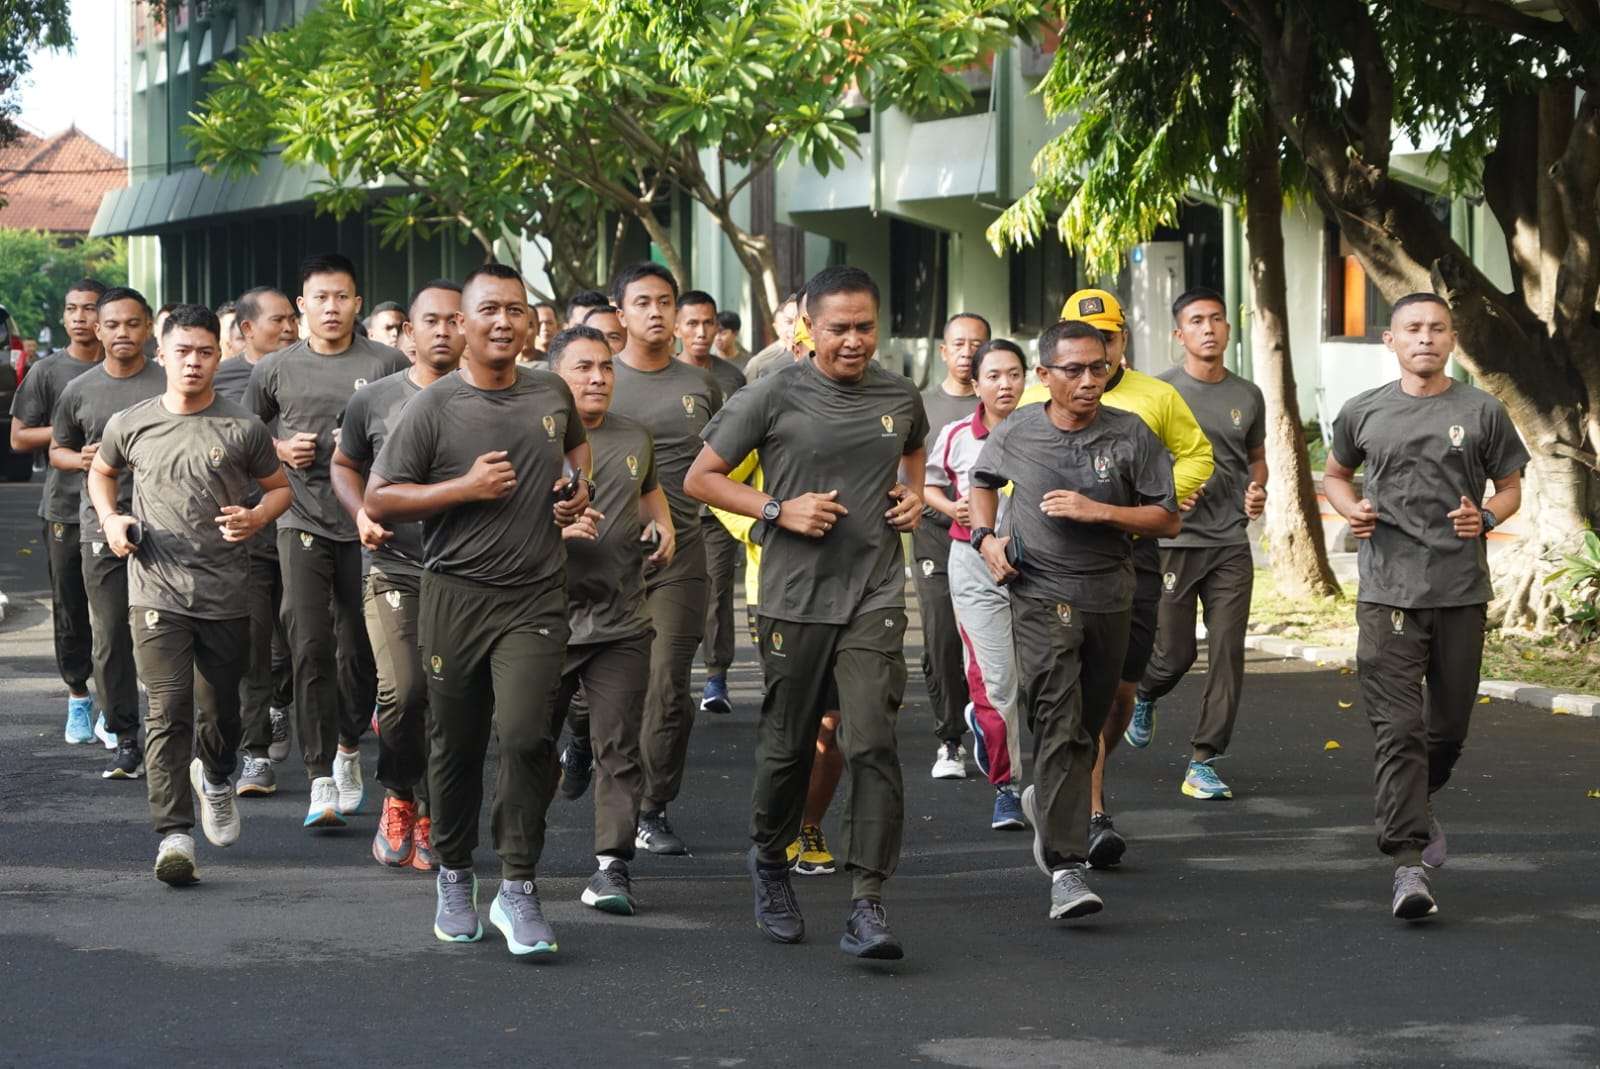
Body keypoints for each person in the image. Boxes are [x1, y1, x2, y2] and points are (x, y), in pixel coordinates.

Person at [685, 264, 927, 960]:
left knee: (872, 739)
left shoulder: (899, 393)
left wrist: (910, 496)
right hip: (794, 594)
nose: (854, 341)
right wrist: (775, 509)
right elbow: (700, 477)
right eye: (839, 328)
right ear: (808, 329)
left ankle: (868, 901)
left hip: (875, 588)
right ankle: (768, 858)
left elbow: (911, 450)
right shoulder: (770, 395)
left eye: (865, 327)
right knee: (788, 744)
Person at [365, 261, 592, 957]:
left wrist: (575, 489)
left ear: (531, 323)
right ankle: (457, 872)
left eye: (515, 310)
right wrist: (462, 487)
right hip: (455, 595)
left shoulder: (551, 391)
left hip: (535, 595)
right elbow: (381, 498)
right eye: (488, 309)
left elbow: (575, 451)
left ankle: (518, 886)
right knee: (455, 744)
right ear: (461, 324)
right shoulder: (432, 407)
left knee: (526, 737)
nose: (503, 322)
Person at [1323, 293, 1527, 921]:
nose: (1426, 339)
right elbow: (1335, 473)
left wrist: (1486, 515)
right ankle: (1407, 864)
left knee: (1447, 731)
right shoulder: (1364, 411)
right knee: (1399, 730)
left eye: (1438, 329)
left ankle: (1414, 798)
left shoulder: (1481, 409)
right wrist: (1348, 507)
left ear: (1453, 339)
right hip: (1386, 592)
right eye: (1413, 328)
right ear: (1391, 340)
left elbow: (1512, 486)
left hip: (1461, 591)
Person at [969, 320, 1178, 921]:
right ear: (1045, 376)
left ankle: (1050, 798)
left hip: (1110, 594)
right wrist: (987, 539)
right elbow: (983, 481)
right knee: (1058, 723)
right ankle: (1066, 867)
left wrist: (1100, 511)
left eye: (1099, 368)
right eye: (1075, 371)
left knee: (1086, 728)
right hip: (1038, 594)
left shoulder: (1131, 433)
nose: (1090, 380)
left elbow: (1166, 520)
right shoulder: (1020, 430)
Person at [87, 303, 291, 886]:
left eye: (205, 352)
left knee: (217, 710)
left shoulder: (243, 427)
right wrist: (111, 520)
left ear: (218, 355)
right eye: (183, 351)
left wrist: (255, 518)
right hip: (155, 587)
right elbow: (102, 471)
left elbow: (280, 491)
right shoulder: (133, 422)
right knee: (166, 709)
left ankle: (218, 776)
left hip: (226, 591)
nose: (194, 361)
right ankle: (174, 835)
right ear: (163, 354)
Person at [1016, 288, 1213, 868]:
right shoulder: (1035, 398)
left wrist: (1160, 500)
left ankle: (1067, 790)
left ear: (1123, 339)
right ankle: (1088, 812)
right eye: (1084, 339)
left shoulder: (1156, 396)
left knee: (1120, 693)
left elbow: (1195, 453)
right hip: (1052, 569)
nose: (1096, 356)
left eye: (1107, 339)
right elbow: (1000, 472)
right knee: (1066, 696)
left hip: (1134, 557)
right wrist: (997, 535)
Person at [244, 252, 408, 829]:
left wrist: (360, 446)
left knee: (358, 650)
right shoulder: (275, 369)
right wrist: (281, 449)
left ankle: (346, 749)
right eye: (321, 298)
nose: (332, 308)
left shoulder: (388, 362)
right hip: (301, 518)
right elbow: (248, 434)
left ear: (357, 303)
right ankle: (318, 776)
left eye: (342, 297)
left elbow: (410, 436)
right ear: (301, 305)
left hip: (367, 523)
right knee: (309, 642)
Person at [332, 279, 465, 871]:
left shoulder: (494, 398)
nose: (444, 331)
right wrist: (360, 513)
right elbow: (344, 463)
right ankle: (400, 794)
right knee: (405, 691)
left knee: (448, 699)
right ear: (408, 334)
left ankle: (434, 814)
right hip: (395, 566)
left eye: (455, 320)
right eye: (430, 321)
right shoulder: (376, 399)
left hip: (468, 574)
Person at [550, 325, 676, 915]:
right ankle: (515, 862)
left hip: (621, 618)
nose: (598, 377)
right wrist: (553, 530)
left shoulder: (634, 435)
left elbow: (650, 491)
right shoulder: (532, 438)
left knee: (621, 746)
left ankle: (611, 867)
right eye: (583, 368)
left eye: (605, 367)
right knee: (525, 745)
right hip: (541, 620)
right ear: (556, 377)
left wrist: (665, 525)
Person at [1131, 288, 1267, 800]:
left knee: (1228, 651)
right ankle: (1144, 692)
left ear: (1229, 329)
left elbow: (1256, 457)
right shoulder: (1158, 392)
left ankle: (1205, 760)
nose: (1208, 328)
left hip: (1229, 540)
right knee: (1174, 652)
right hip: (1173, 541)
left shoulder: (1247, 394)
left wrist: (1258, 489)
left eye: (1216, 319)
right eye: (1196, 321)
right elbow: (1139, 463)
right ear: (1179, 334)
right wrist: (1165, 496)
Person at [608, 262, 724, 856]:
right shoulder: (596, 380)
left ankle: (652, 808)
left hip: (682, 554)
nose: (656, 312)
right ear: (620, 312)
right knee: (590, 689)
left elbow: (729, 463)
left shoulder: (702, 386)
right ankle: (581, 741)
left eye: (665, 302)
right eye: (643, 302)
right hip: (600, 560)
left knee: (667, 686)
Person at [51, 287, 168, 780]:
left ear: (148, 330)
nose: (123, 333)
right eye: (113, 325)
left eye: (133, 324)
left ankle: (178, 734)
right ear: (98, 330)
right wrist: (80, 459)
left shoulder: (170, 382)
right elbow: (59, 450)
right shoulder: (79, 390)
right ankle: (125, 737)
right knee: (111, 636)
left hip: (169, 528)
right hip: (100, 527)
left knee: (169, 634)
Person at [925, 338, 1028, 830]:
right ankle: (1006, 788)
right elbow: (925, 484)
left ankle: (995, 733)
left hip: (1042, 570)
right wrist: (950, 507)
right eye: (994, 376)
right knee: (997, 681)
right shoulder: (955, 434)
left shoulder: (1045, 429)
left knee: (1040, 680)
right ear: (977, 383)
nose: (1005, 384)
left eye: (1014, 374)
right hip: (973, 563)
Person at [9, 277, 106, 746]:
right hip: (66, 507)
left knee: (119, 613)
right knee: (71, 609)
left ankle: (115, 703)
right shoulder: (48, 372)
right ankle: (78, 699)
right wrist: (67, 437)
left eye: (89, 309)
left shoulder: (129, 368)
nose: (80, 318)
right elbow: (19, 437)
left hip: (125, 509)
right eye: (72, 309)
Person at [214, 286, 301, 792]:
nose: (289, 328)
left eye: (293, 318)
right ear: (247, 329)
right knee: (253, 640)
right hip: (244, 525)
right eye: (278, 320)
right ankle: (255, 754)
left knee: (293, 639)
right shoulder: (218, 379)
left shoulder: (312, 369)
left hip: (302, 523)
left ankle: (280, 703)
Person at [918, 313, 988, 780]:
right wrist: (947, 508)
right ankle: (949, 740)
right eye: (958, 344)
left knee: (986, 639)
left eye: (975, 345)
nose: (966, 353)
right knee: (941, 637)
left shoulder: (1003, 404)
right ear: (944, 351)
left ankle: (991, 726)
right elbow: (908, 477)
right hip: (934, 535)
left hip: (990, 541)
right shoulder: (918, 405)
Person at [674, 289, 748, 717]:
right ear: (678, 328)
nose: (702, 332)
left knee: (717, 592)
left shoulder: (732, 377)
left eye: (709, 323)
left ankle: (716, 676)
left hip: (718, 507)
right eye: (693, 324)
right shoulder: (663, 375)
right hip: (669, 505)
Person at [743, 293, 801, 381]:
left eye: (800, 321)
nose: (794, 328)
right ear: (776, 327)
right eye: (788, 322)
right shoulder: (760, 363)